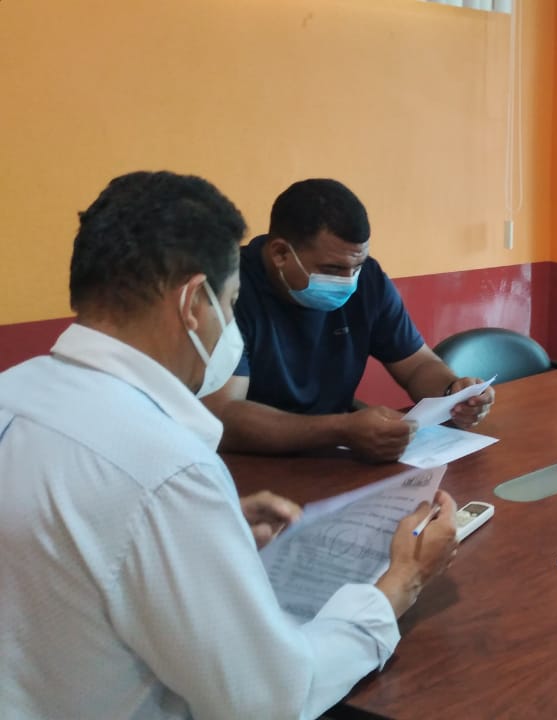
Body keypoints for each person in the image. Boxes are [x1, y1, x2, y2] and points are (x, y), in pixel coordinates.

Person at [0, 172, 459, 719]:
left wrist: (214, 528)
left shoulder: (14, 394)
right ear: (194, 303)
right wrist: (401, 582)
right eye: (231, 300)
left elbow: (67, 540)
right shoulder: (168, 469)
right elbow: (272, 698)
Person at [203, 178, 494, 462]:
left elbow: (418, 364)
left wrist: (453, 393)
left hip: (339, 455)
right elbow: (224, 415)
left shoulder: (368, 280)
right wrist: (341, 429)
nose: (349, 281)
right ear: (280, 253)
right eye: (333, 269)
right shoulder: (229, 289)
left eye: (357, 266)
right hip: (252, 463)